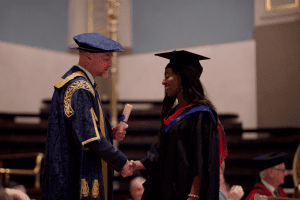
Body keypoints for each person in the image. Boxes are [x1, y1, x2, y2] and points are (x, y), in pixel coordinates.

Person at [42, 33, 134, 200]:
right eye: (106, 58)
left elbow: (78, 129)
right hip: (76, 176)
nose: (111, 64)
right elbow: (90, 138)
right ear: (88, 57)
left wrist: (108, 132)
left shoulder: (78, 83)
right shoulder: (80, 87)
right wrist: (121, 161)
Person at [121, 50, 221, 200]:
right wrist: (138, 164)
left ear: (182, 78)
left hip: (185, 192)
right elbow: (160, 153)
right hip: (167, 190)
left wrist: (194, 194)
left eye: (167, 76)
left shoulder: (200, 115)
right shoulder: (173, 113)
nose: (163, 82)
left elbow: (200, 160)